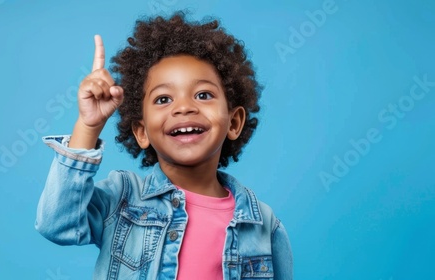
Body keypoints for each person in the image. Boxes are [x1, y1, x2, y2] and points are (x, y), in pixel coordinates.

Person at [35, 12, 293, 280]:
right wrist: (88, 127)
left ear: (234, 122)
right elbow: (57, 224)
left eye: (203, 95)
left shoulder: (263, 224)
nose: (183, 107)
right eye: (163, 99)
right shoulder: (122, 200)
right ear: (142, 132)